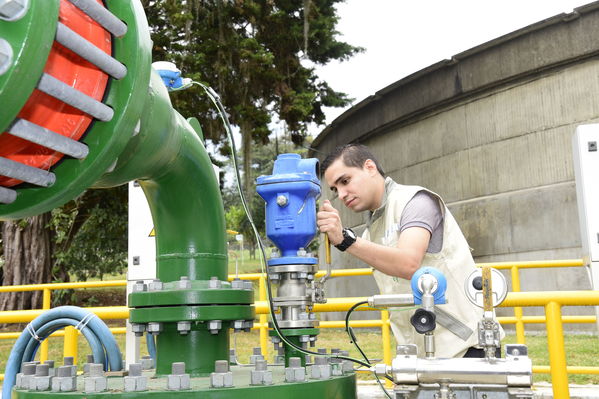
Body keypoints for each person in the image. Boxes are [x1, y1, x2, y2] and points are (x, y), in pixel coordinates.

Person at [316, 144, 502, 358]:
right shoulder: (371, 231)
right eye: (335, 189)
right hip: (419, 352)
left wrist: (346, 241)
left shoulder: (415, 201)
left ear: (369, 167)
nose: (342, 194)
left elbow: (408, 263)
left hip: (464, 348)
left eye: (345, 181)